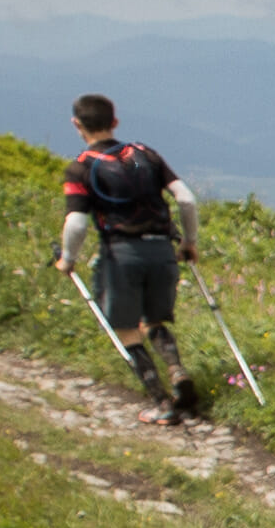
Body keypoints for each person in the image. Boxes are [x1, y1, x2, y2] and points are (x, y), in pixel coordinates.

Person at [53, 94, 206, 416]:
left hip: (121, 255)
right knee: (153, 320)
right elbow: (186, 199)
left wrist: (68, 259)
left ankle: (163, 404)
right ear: (115, 121)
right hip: (162, 251)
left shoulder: (81, 168)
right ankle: (177, 371)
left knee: (125, 329)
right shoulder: (142, 156)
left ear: (76, 124)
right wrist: (189, 242)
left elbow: (77, 223)